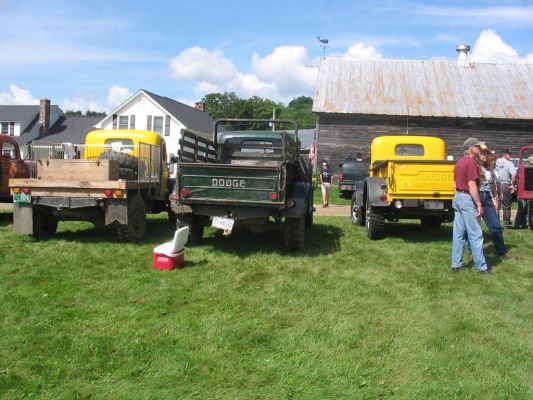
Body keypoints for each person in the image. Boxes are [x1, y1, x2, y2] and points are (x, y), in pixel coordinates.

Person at [451, 138, 490, 274]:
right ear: (470, 148)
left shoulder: (459, 162)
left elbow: (454, 184)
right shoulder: (471, 162)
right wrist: (479, 204)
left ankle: (456, 265)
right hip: (467, 199)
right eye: (477, 147)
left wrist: (458, 197)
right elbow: (472, 184)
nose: (479, 149)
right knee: (476, 234)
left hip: (458, 198)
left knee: (458, 234)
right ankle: (481, 267)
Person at [478, 148, 510, 257]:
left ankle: (502, 251)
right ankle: (474, 251)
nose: (485, 156)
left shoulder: (490, 169)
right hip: (476, 196)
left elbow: (493, 186)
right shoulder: (475, 166)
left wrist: (495, 198)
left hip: (487, 197)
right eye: (483, 154)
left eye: (486, 154)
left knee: (495, 225)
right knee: (475, 227)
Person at [495, 148, 517, 228]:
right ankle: (507, 224)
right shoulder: (509, 163)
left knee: (496, 205)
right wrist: (512, 184)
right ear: (505, 154)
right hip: (505, 185)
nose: (510, 156)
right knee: (506, 205)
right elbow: (514, 175)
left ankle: (496, 223)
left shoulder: (495, 161)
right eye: (509, 154)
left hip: (495, 185)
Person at [514, 155, 533, 229]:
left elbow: (516, 178)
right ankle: (528, 224)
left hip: (523, 191)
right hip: (530, 191)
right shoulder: (523, 168)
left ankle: (519, 224)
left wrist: (515, 188)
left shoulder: (521, 168)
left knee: (522, 208)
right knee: (529, 210)